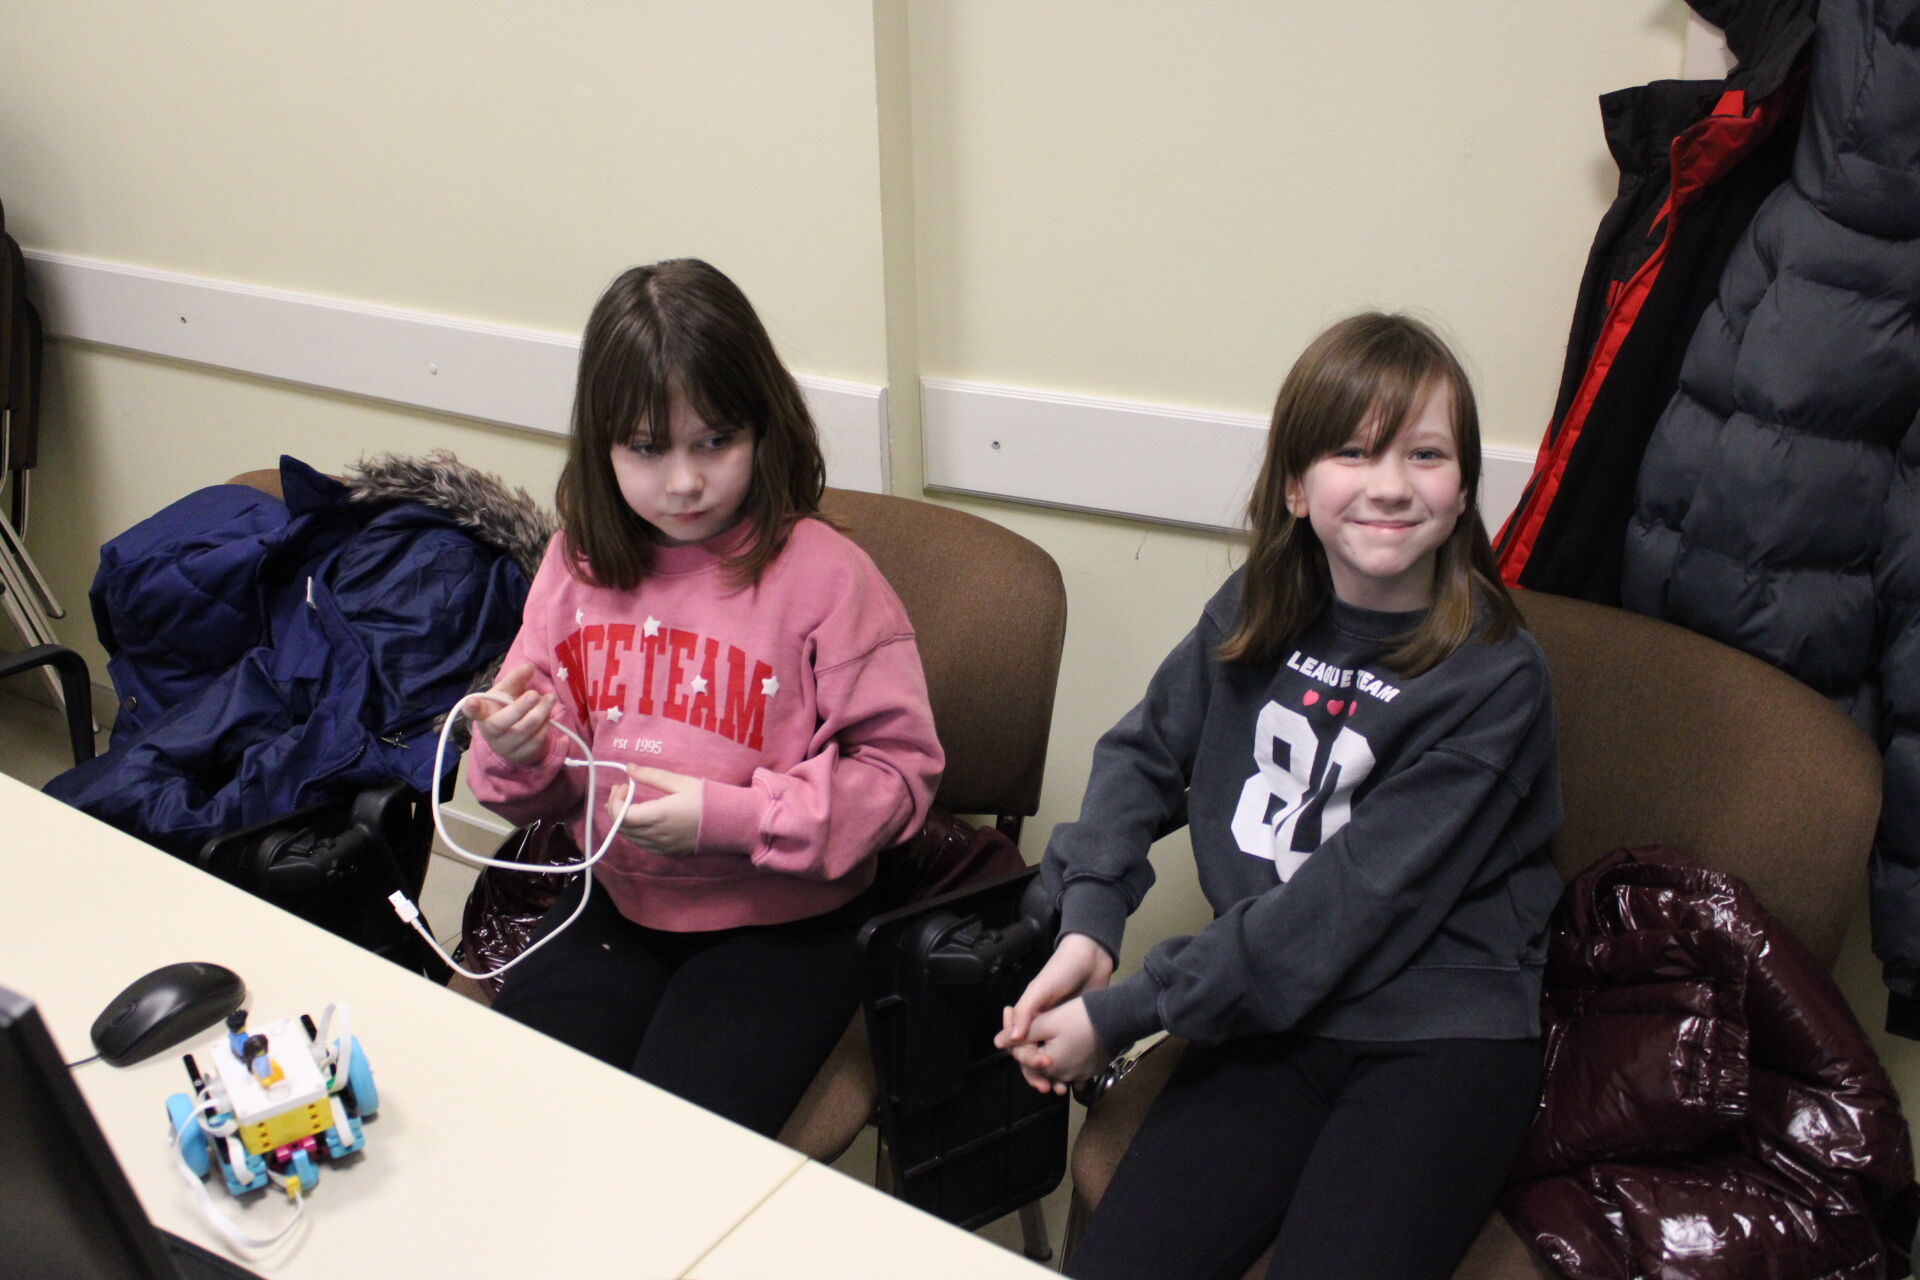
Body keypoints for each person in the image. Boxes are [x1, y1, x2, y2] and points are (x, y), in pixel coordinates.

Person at [999, 313, 1562, 1279]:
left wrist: (1127, 1011)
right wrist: (1090, 921)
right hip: (1271, 1017)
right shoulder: (1257, 611)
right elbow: (1141, 754)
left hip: (1435, 1036)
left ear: (1466, 486)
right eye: (1353, 451)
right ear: (1297, 487)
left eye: (1426, 454)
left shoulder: (1498, 679)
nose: (1391, 484)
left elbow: (1345, 908)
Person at [467, 259, 943, 1138]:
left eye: (714, 441)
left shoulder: (828, 579)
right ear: (602, 448)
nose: (683, 482)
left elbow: (899, 776)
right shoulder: (576, 565)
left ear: (764, 430)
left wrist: (733, 820)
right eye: (647, 449)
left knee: (668, 1149)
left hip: (786, 926)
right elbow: (531, 783)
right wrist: (520, 752)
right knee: (519, 1111)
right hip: (619, 905)